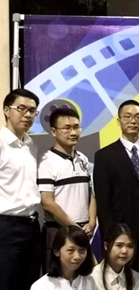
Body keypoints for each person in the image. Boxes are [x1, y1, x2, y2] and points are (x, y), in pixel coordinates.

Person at [93, 100, 139, 267]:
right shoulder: (104, 156)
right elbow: (103, 200)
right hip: (120, 229)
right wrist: (110, 234)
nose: (133, 121)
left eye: (138, 117)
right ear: (119, 121)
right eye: (127, 116)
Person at [0, 88, 42, 290]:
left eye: (32, 111)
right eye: (22, 109)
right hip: (6, 226)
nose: (27, 115)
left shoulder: (31, 145)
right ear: (6, 110)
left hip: (31, 226)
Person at [38, 108, 96, 272]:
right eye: (67, 128)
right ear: (54, 131)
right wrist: (74, 227)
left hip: (84, 232)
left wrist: (92, 222)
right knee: (57, 280)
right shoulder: (46, 162)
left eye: (76, 127)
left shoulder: (83, 159)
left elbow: (91, 194)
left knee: (85, 278)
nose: (73, 132)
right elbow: (47, 203)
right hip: (59, 232)